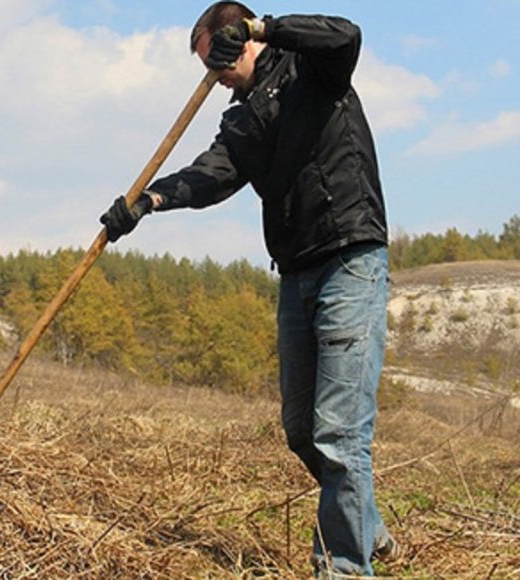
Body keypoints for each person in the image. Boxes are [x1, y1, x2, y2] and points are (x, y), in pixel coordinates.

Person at [99, 2, 397, 576]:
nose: (213, 74)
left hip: (350, 259)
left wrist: (265, 27)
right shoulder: (242, 119)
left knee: (339, 431)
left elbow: (346, 35)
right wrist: (147, 202)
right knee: (302, 431)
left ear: (240, 37)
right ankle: (367, 526)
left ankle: (341, 567)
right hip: (296, 272)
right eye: (207, 67)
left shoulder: (312, 69)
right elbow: (212, 174)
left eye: (218, 57)